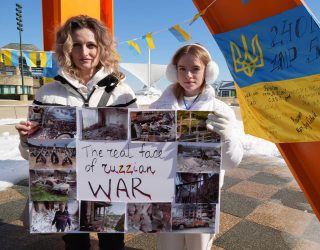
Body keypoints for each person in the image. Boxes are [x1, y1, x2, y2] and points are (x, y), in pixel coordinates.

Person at [15, 15, 137, 250]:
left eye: (91, 45)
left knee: (112, 242)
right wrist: (26, 139)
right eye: (77, 45)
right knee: (74, 243)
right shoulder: (47, 94)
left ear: (102, 48)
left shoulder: (122, 92)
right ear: (67, 49)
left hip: (109, 182)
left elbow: (136, 143)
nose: (85, 52)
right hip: (65, 185)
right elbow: (33, 153)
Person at [150, 43, 243, 250]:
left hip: (201, 195)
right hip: (165, 192)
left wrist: (227, 137)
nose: (188, 75)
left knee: (198, 247)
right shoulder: (157, 108)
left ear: (207, 71)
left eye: (195, 69)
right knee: (168, 247)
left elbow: (233, 162)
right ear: (174, 71)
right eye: (182, 69)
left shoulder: (220, 110)